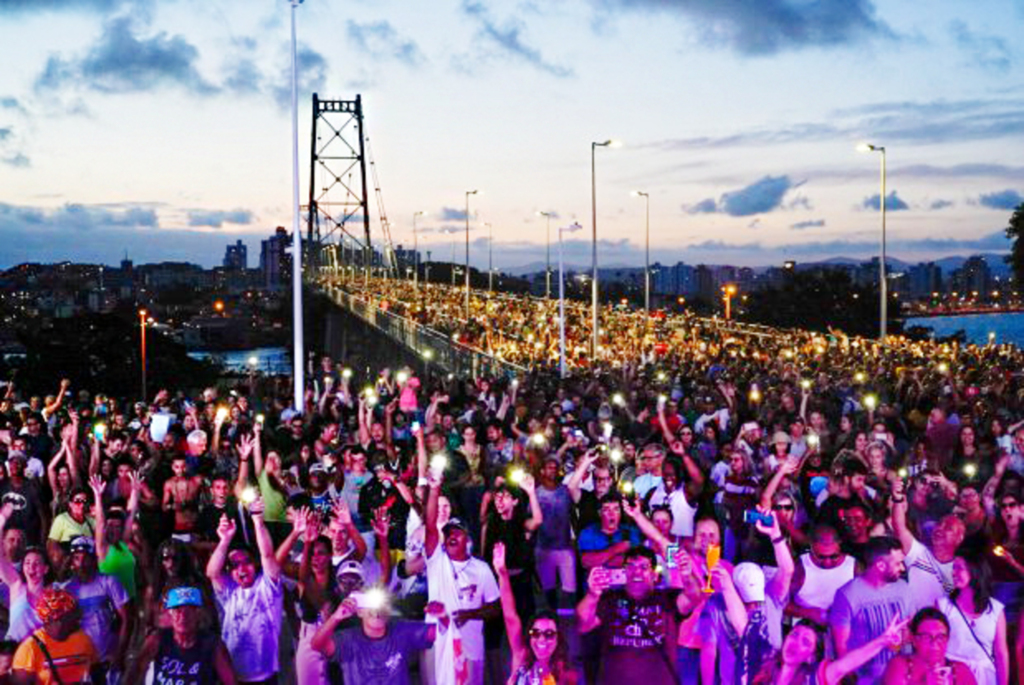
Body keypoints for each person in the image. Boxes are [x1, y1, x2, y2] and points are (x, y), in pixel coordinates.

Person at [576, 546, 695, 685]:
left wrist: (687, 576)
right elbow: (582, 623)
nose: (636, 572)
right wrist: (592, 595)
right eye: (630, 566)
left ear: (655, 575)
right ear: (624, 571)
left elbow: (693, 597)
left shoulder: (668, 598)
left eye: (644, 567)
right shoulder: (609, 599)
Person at [423, 472, 500, 685]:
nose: (452, 537)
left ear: (468, 539)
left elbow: (495, 607)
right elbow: (430, 526)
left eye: (458, 533)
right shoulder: (436, 560)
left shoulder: (481, 569)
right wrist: (434, 489)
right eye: (448, 533)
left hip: (470, 646)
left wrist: (471, 614)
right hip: (438, 643)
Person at [206, 497, 283, 685]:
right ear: (229, 571)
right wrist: (224, 541)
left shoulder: (267, 587)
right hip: (232, 675)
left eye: (246, 562)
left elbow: (267, 554)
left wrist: (258, 522)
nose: (241, 568)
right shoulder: (229, 592)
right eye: (234, 564)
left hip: (265, 676)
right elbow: (212, 573)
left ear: (255, 564)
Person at [830, 535, 921, 684]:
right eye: (898, 563)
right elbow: (841, 646)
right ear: (880, 565)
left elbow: (914, 630)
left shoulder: (904, 589)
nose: (903, 568)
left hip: (902, 677)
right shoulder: (847, 595)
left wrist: (905, 637)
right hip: (866, 679)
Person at [311, 588, 439, 684]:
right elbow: (316, 644)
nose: (377, 612)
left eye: (382, 606)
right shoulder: (348, 639)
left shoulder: (401, 631)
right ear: (360, 611)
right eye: (371, 607)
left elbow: (441, 633)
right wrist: (335, 618)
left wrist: (443, 616)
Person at [493, 541, 577, 684]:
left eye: (549, 634)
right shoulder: (521, 657)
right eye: (536, 633)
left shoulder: (565, 674)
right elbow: (510, 617)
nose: (541, 640)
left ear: (558, 638)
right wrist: (502, 574)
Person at [54, 535, 131, 681]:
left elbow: (127, 620)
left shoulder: (109, 582)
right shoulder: (68, 589)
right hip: (79, 661)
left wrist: (119, 655)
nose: (81, 564)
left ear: (94, 559)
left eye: (85, 558)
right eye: (76, 558)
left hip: (107, 659)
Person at [752, 614, 909, 685]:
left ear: (811, 657)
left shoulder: (815, 679)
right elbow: (742, 626)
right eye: (794, 635)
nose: (795, 643)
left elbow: (847, 663)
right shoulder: (765, 665)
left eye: (805, 642)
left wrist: (882, 641)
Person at [128, 586, 237, 685]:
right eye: (177, 611)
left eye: (189, 611)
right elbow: (137, 668)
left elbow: (230, 681)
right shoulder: (159, 638)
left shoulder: (212, 645)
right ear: (170, 613)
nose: (183, 617)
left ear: (198, 613)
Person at [939, 556, 1009, 685]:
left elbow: (1001, 654)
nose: (953, 573)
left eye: (959, 568)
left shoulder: (995, 609)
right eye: (953, 568)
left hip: (985, 678)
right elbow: (937, 647)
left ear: (975, 571)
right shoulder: (943, 606)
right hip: (953, 676)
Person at [11, 589, 99, 685]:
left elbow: (98, 676)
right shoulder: (29, 649)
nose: (79, 618)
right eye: (73, 615)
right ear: (57, 619)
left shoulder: (83, 639)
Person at [883, 607, 978, 684]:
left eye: (940, 637)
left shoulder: (960, 671)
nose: (934, 644)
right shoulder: (900, 666)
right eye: (926, 637)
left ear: (947, 639)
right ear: (914, 640)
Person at [787, 524, 856, 627]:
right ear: (812, 547)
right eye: (821, 557)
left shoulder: (854, 567)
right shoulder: (799, 567)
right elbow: (779, 603)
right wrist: (808, 613)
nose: (827, 562)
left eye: (833, 556)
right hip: (804, 633)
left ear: (840, 546)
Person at [0, 503, 48, 643]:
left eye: (36, 563)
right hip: (12, 653)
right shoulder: (16, 586)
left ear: (45, 569)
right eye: (27, 563)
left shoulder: (52, 595)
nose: (31, 568)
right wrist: (1, 519)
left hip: (38, 656)